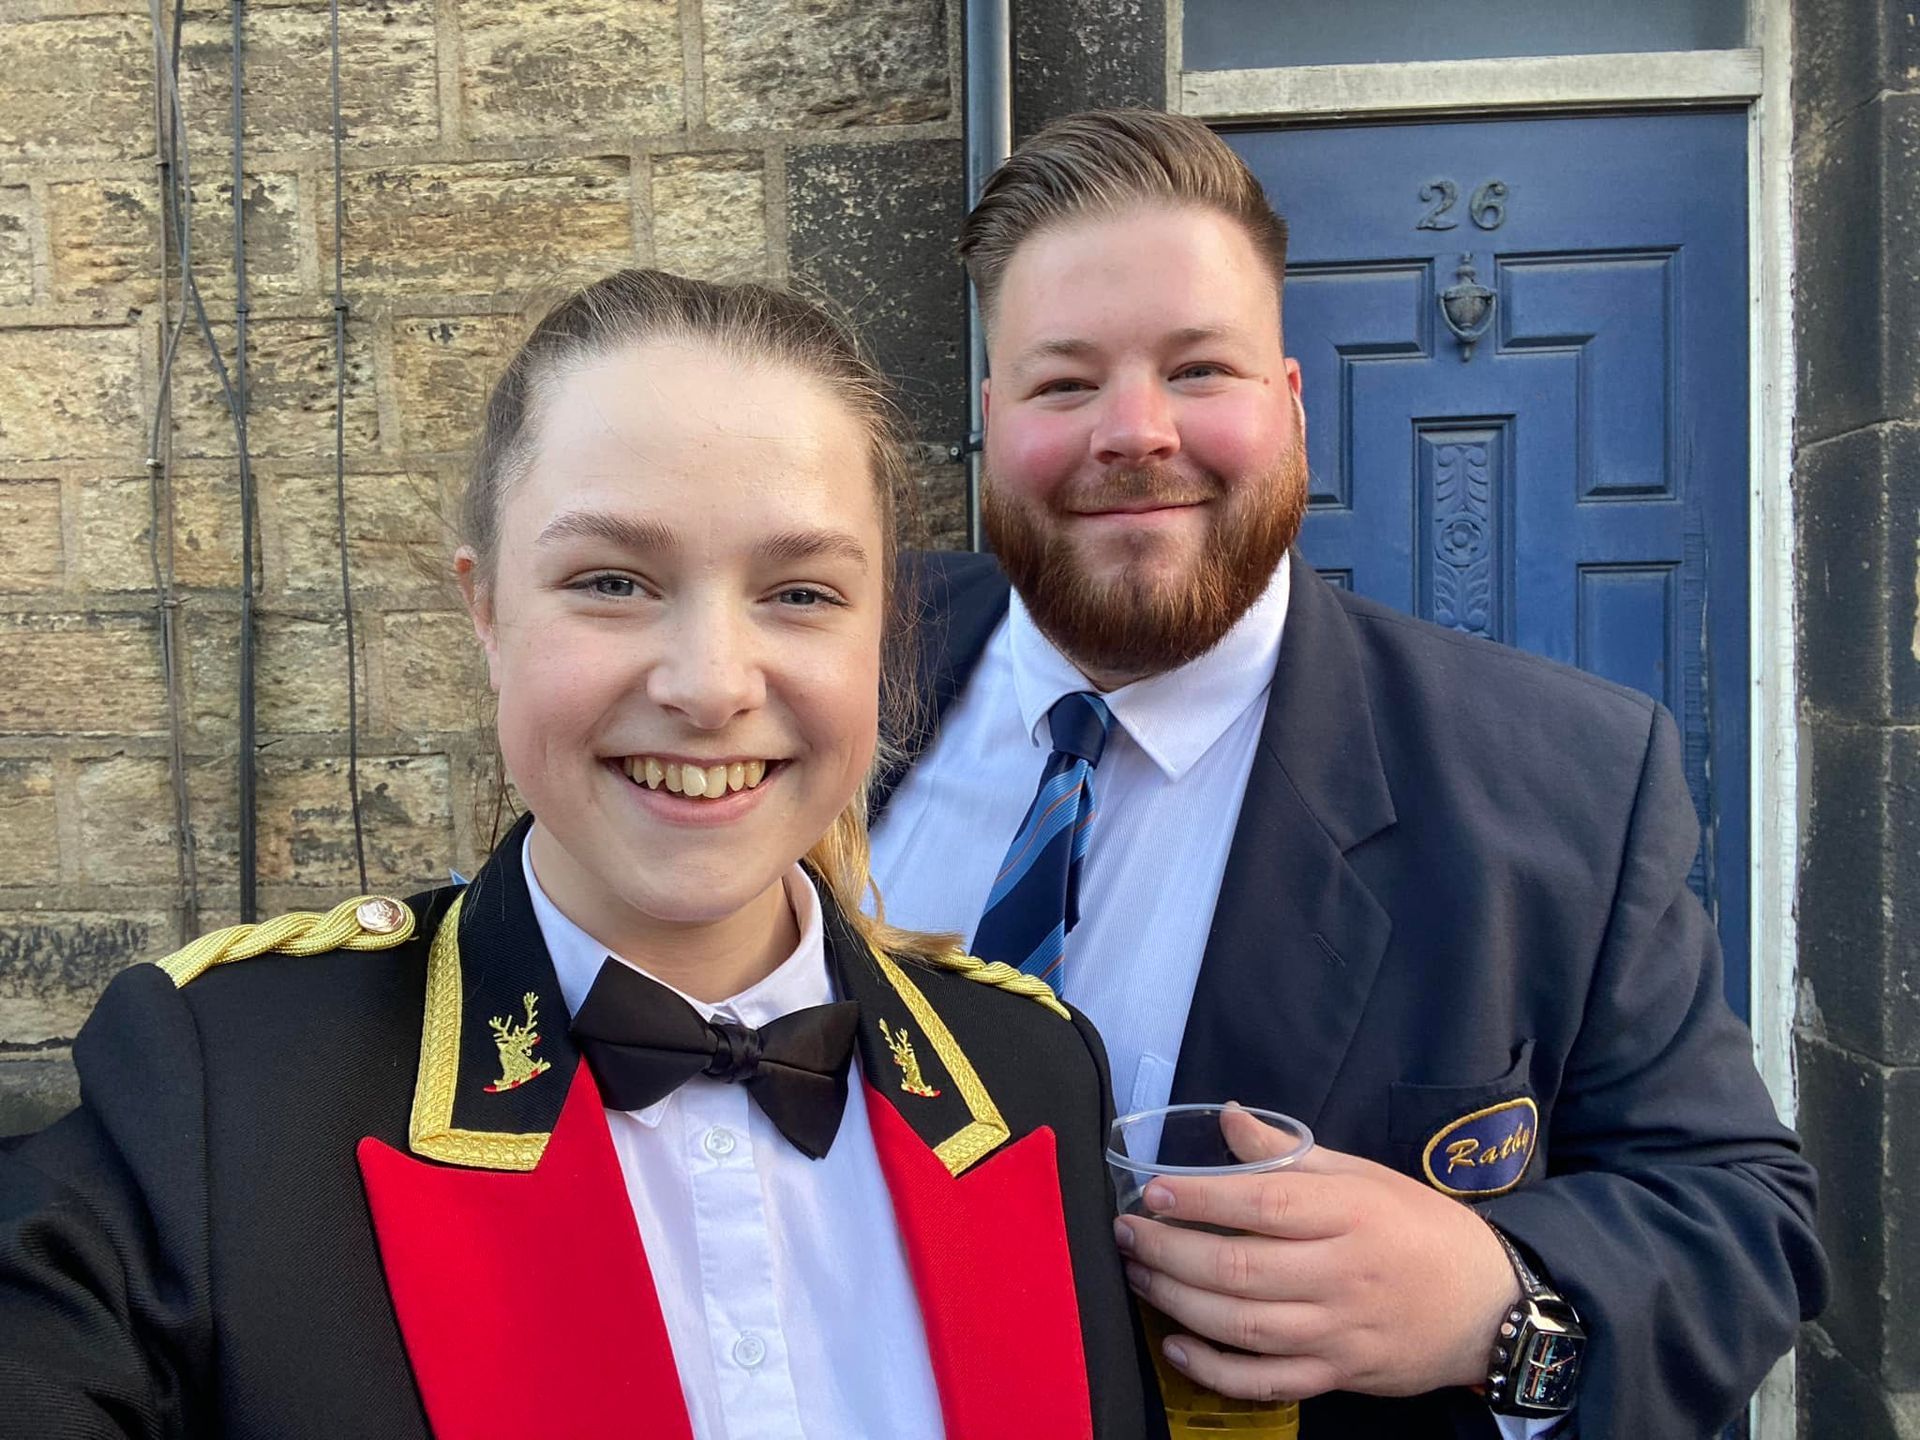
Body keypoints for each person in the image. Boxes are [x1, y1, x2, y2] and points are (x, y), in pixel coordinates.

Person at [0, 270, 1160, 1440]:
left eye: (801, 592)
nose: (710, 686)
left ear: (881, 633)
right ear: (488, 613)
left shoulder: (1033, 1075)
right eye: (612, 582)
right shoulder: (222, 1086)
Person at [870, 109, 1827, 1438]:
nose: (1134, 430)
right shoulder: (828, 667)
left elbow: (1741, 1218)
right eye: (1064, 382)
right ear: (993, 417)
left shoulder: (1574, 783)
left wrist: (1497, 1302)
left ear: (1290, 402)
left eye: (1199, 368)